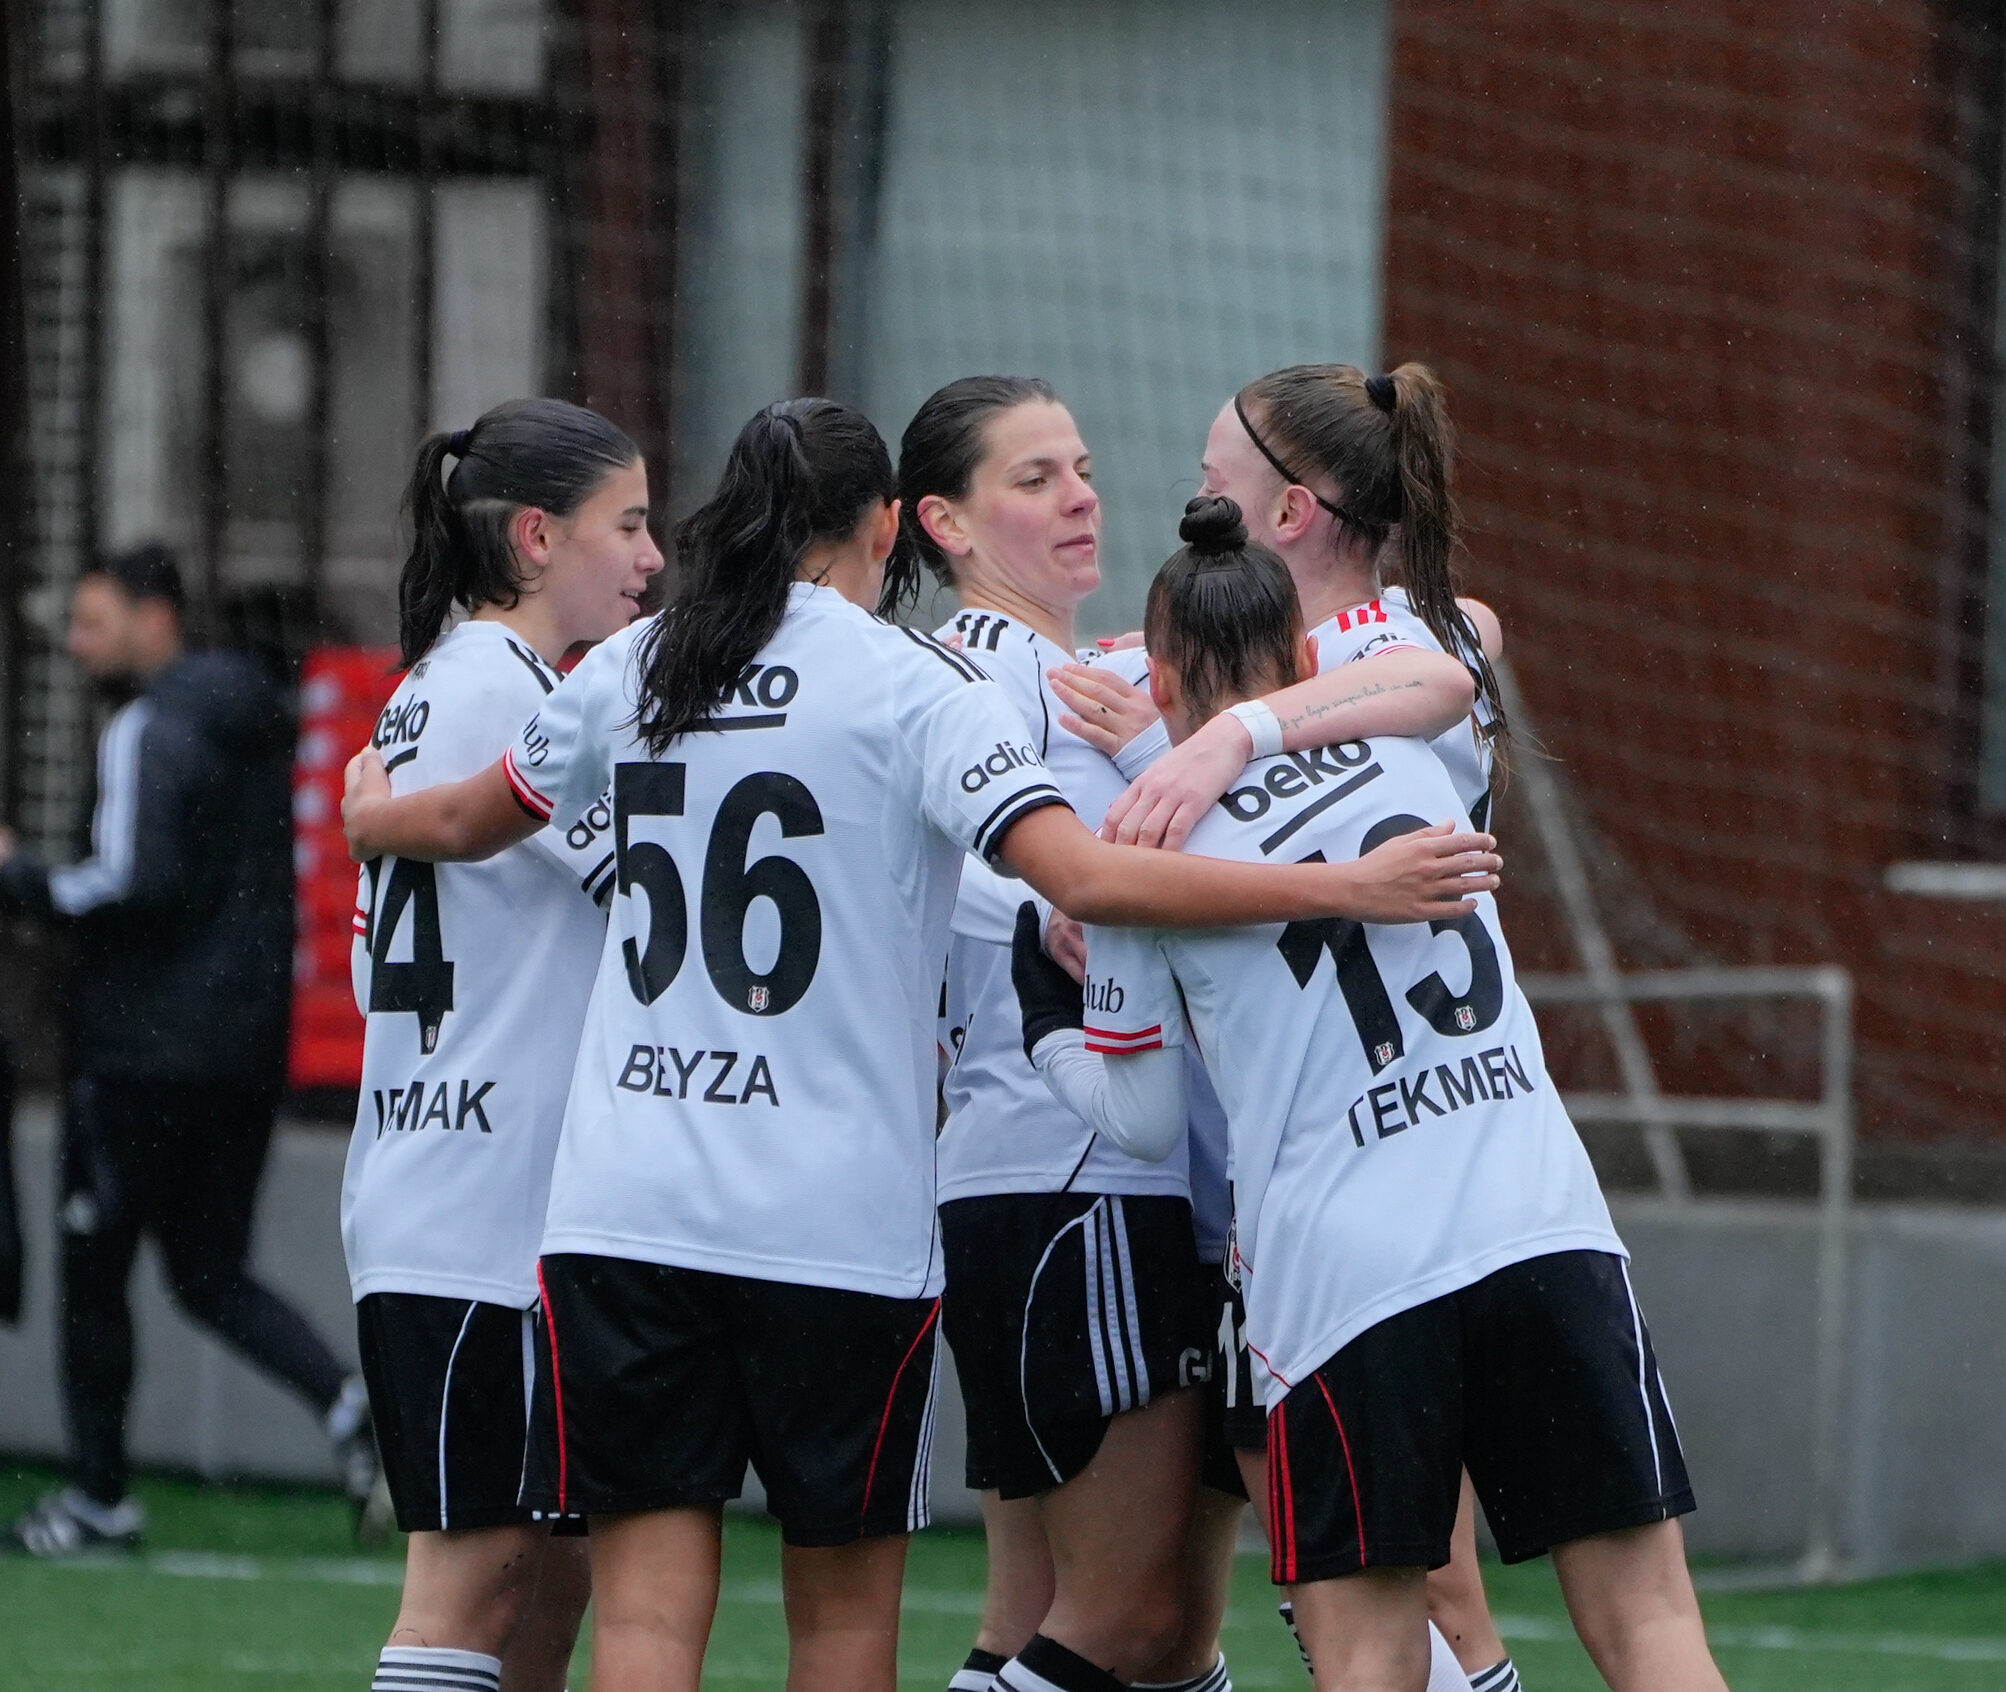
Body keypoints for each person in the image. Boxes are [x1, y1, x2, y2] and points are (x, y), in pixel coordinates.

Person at [340, 399, 1502, 1692]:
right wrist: (1342, 889)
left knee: (646, 1627)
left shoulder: (635, 664)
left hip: (626, 1211)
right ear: (895, 525)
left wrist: (369, 818)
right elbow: (1084, 880)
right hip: (829, 1218)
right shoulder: (914, 687)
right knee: (841, 1631)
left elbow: (471, 819)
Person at [1016, 499, 1725, 1692]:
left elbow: (1140, 1122)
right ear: (1305, 659)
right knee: (1649, 1626)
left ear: (1158, 677)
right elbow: (1452, 656)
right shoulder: (1417, 752)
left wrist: (1047, 1020)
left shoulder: (1140, 854)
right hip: (1539, 1230)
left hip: (1348, 1279)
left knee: (1368, 1656)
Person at [898, 375, 1478, 1692]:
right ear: (941, 522)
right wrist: (1077, 905)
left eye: (1082, 467)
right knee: (1141, 1616)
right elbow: (1025, 890)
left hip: (1161, 1186)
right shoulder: (964, 680)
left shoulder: (1118, 669)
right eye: (1033, 478)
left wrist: (1203, 735)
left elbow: (1455, 653)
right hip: (1072, 1175)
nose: (1082, 496)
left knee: (1138, 1623)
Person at [1051, 363, 1521, 1686]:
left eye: (1214, 481)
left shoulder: (1405, 642)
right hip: (1280, 1181)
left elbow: (1442, 666)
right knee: (1323, 1580)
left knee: (1413, 1580)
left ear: (1293, 512)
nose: (1192, 503)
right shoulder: (1226, 657)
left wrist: (1194, 743)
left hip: (1384, 1171)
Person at [344, 399, 663, 1692]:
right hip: (483, 1204)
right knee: (470, 1585)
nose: (651, 558)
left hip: (447, 1177)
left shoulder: (432, 688)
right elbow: (654, 903)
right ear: (536, 538)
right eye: (626, 525)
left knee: (550, 1574)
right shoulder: (514, 693)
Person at [0, 544, 375, 1555]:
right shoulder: (256, 718)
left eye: (93, 623)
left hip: (141, 1053)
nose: (76, 646)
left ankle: (99, 1499)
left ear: (154, 617)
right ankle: (344, 1402)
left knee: (94, 1271)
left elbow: (132, 879)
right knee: (209, 1270)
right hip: (244, 1049)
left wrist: (22, 877)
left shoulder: (149, 726)